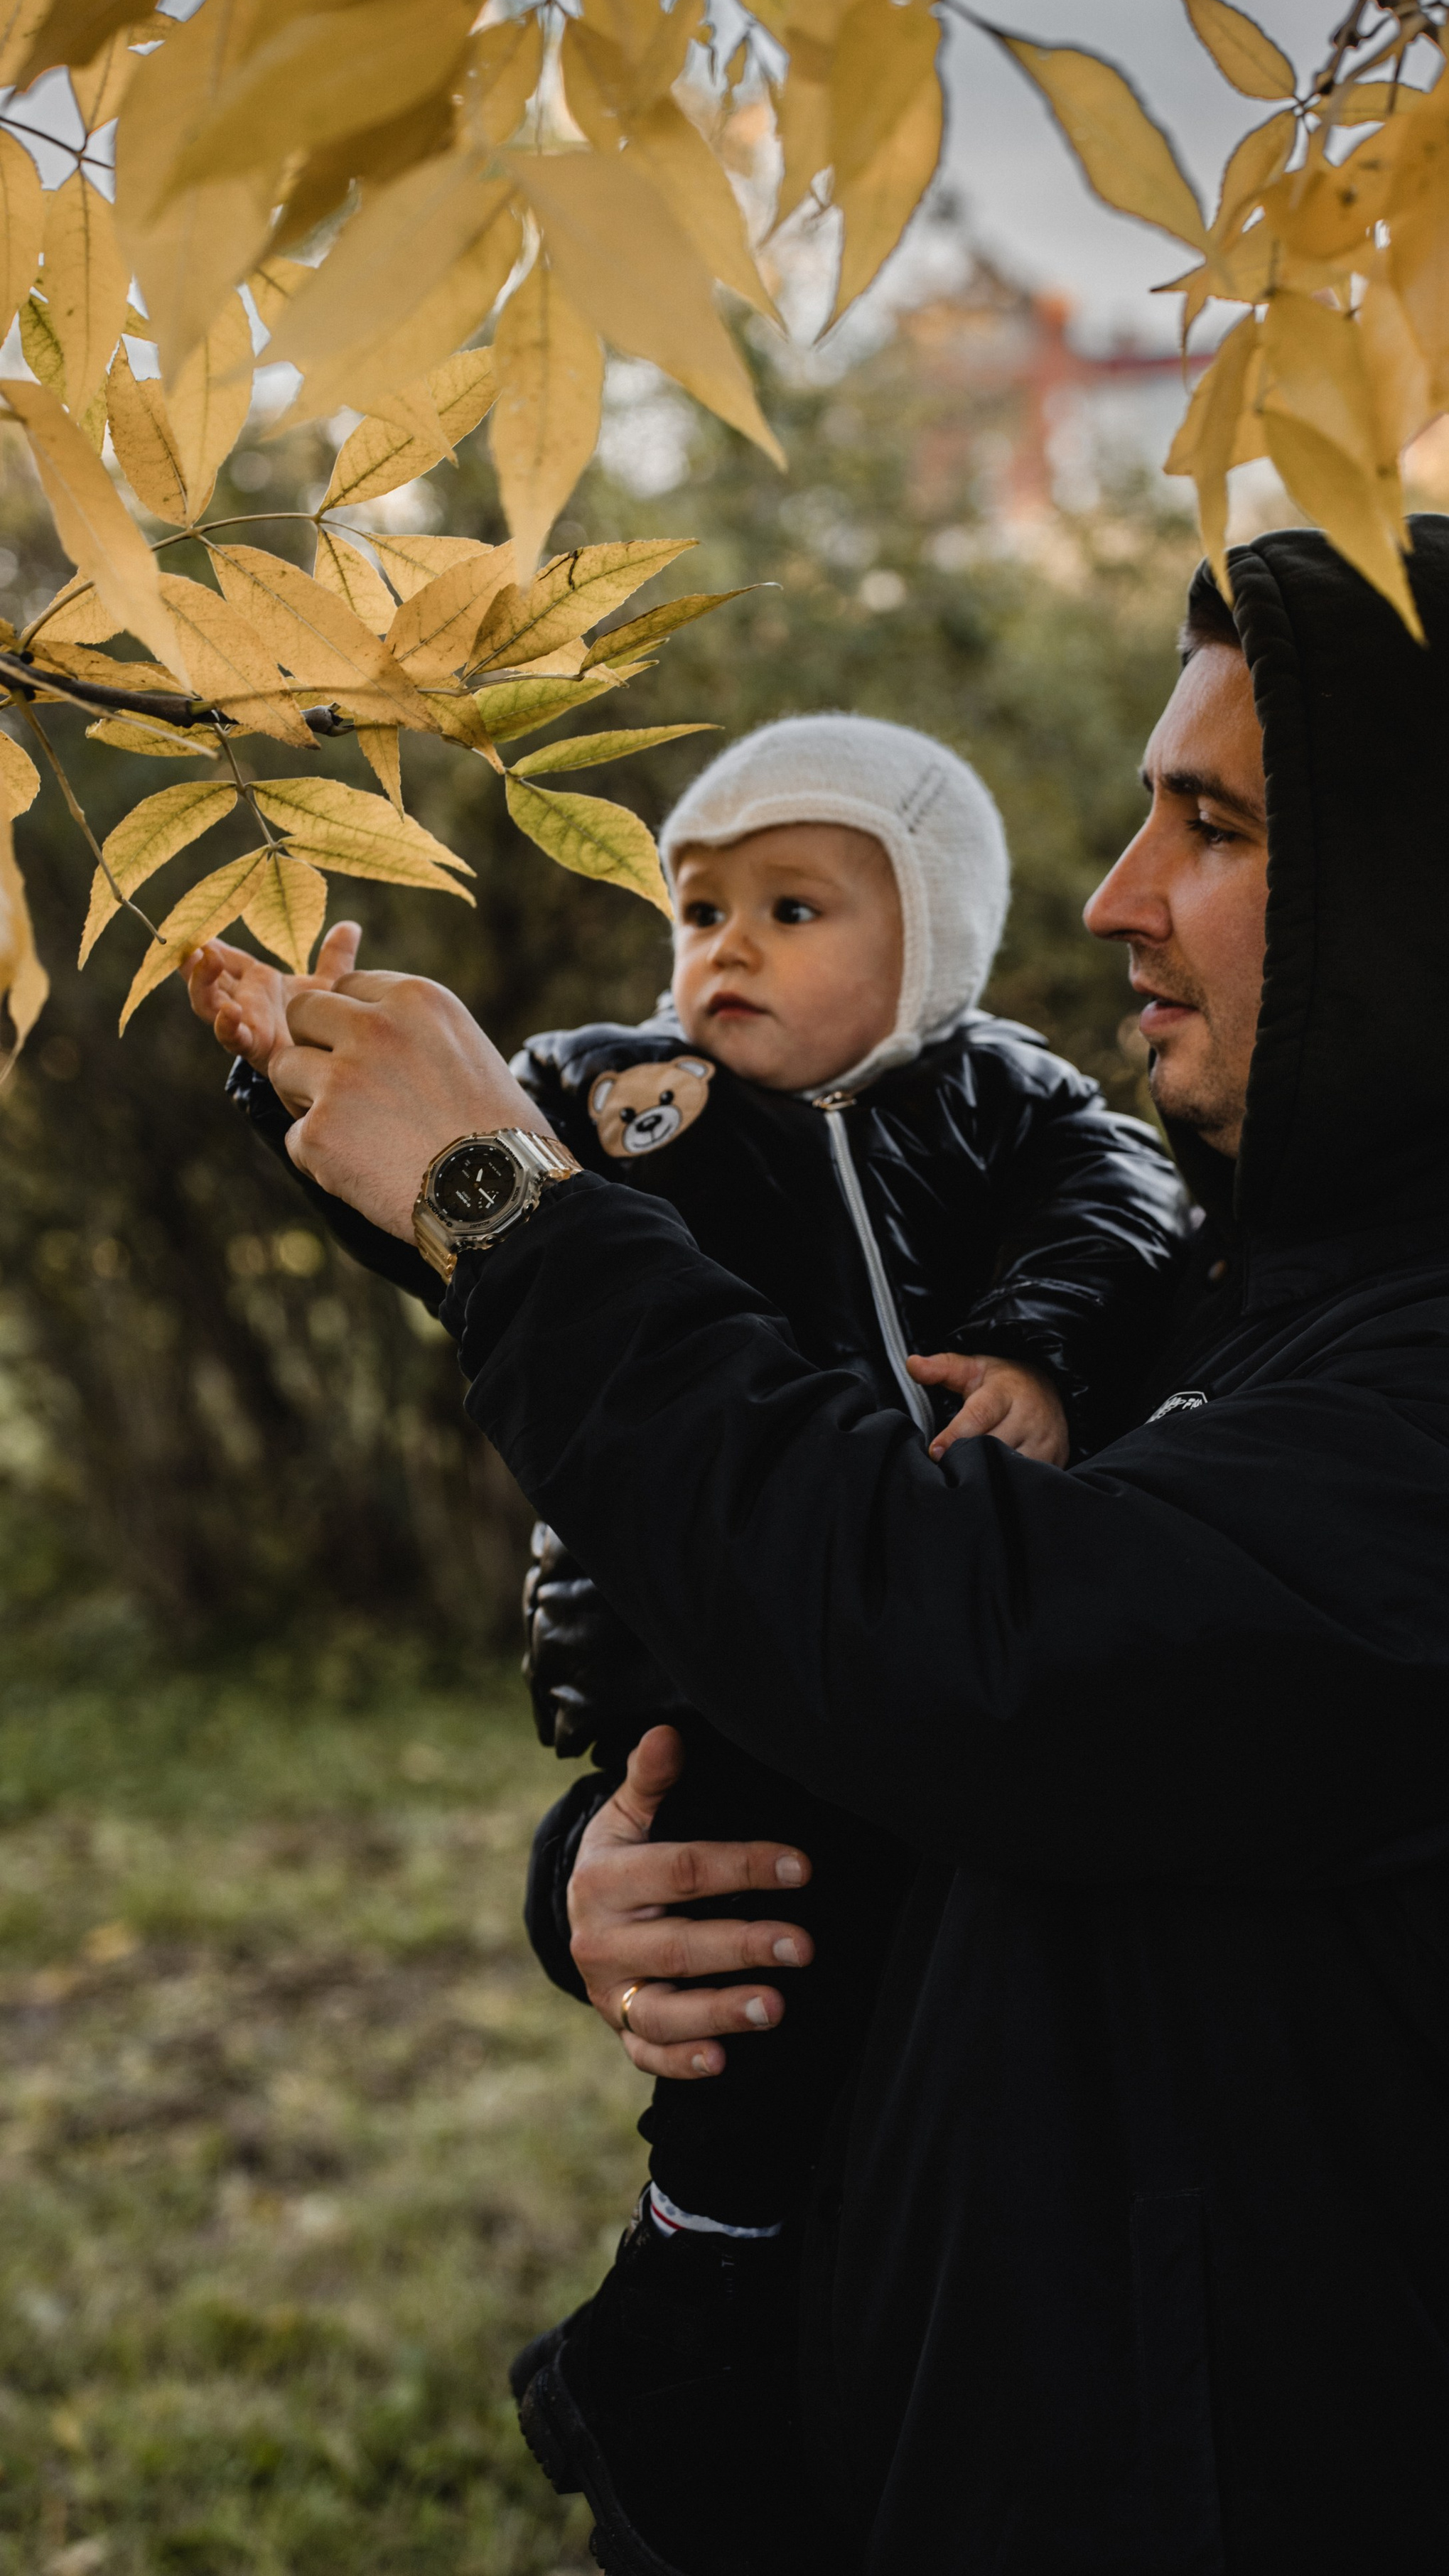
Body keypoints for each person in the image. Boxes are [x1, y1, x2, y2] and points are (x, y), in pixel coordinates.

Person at [221, 517, 1449, 2576]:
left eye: (1208, 829)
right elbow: (865, 1657)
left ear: (1431, 895)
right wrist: (620, 1879)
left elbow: (981, 1652)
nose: (1117, 899)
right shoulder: (1208, 1305)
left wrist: (513, 1219)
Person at [187, 713, 1185, 2574]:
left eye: (793, 907)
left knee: (887, 2012)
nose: (722, 948)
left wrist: (1045, 1351)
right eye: (698, 905)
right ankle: (690, 2301)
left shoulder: (1008, 1103)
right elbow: (448, 1209)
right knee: (741, 1993)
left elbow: (1129, 1211)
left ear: (940, 944)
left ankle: (780, 2327)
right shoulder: (614, 1092)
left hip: (928, 1626)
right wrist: (297, 1083)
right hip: (689, 1674)